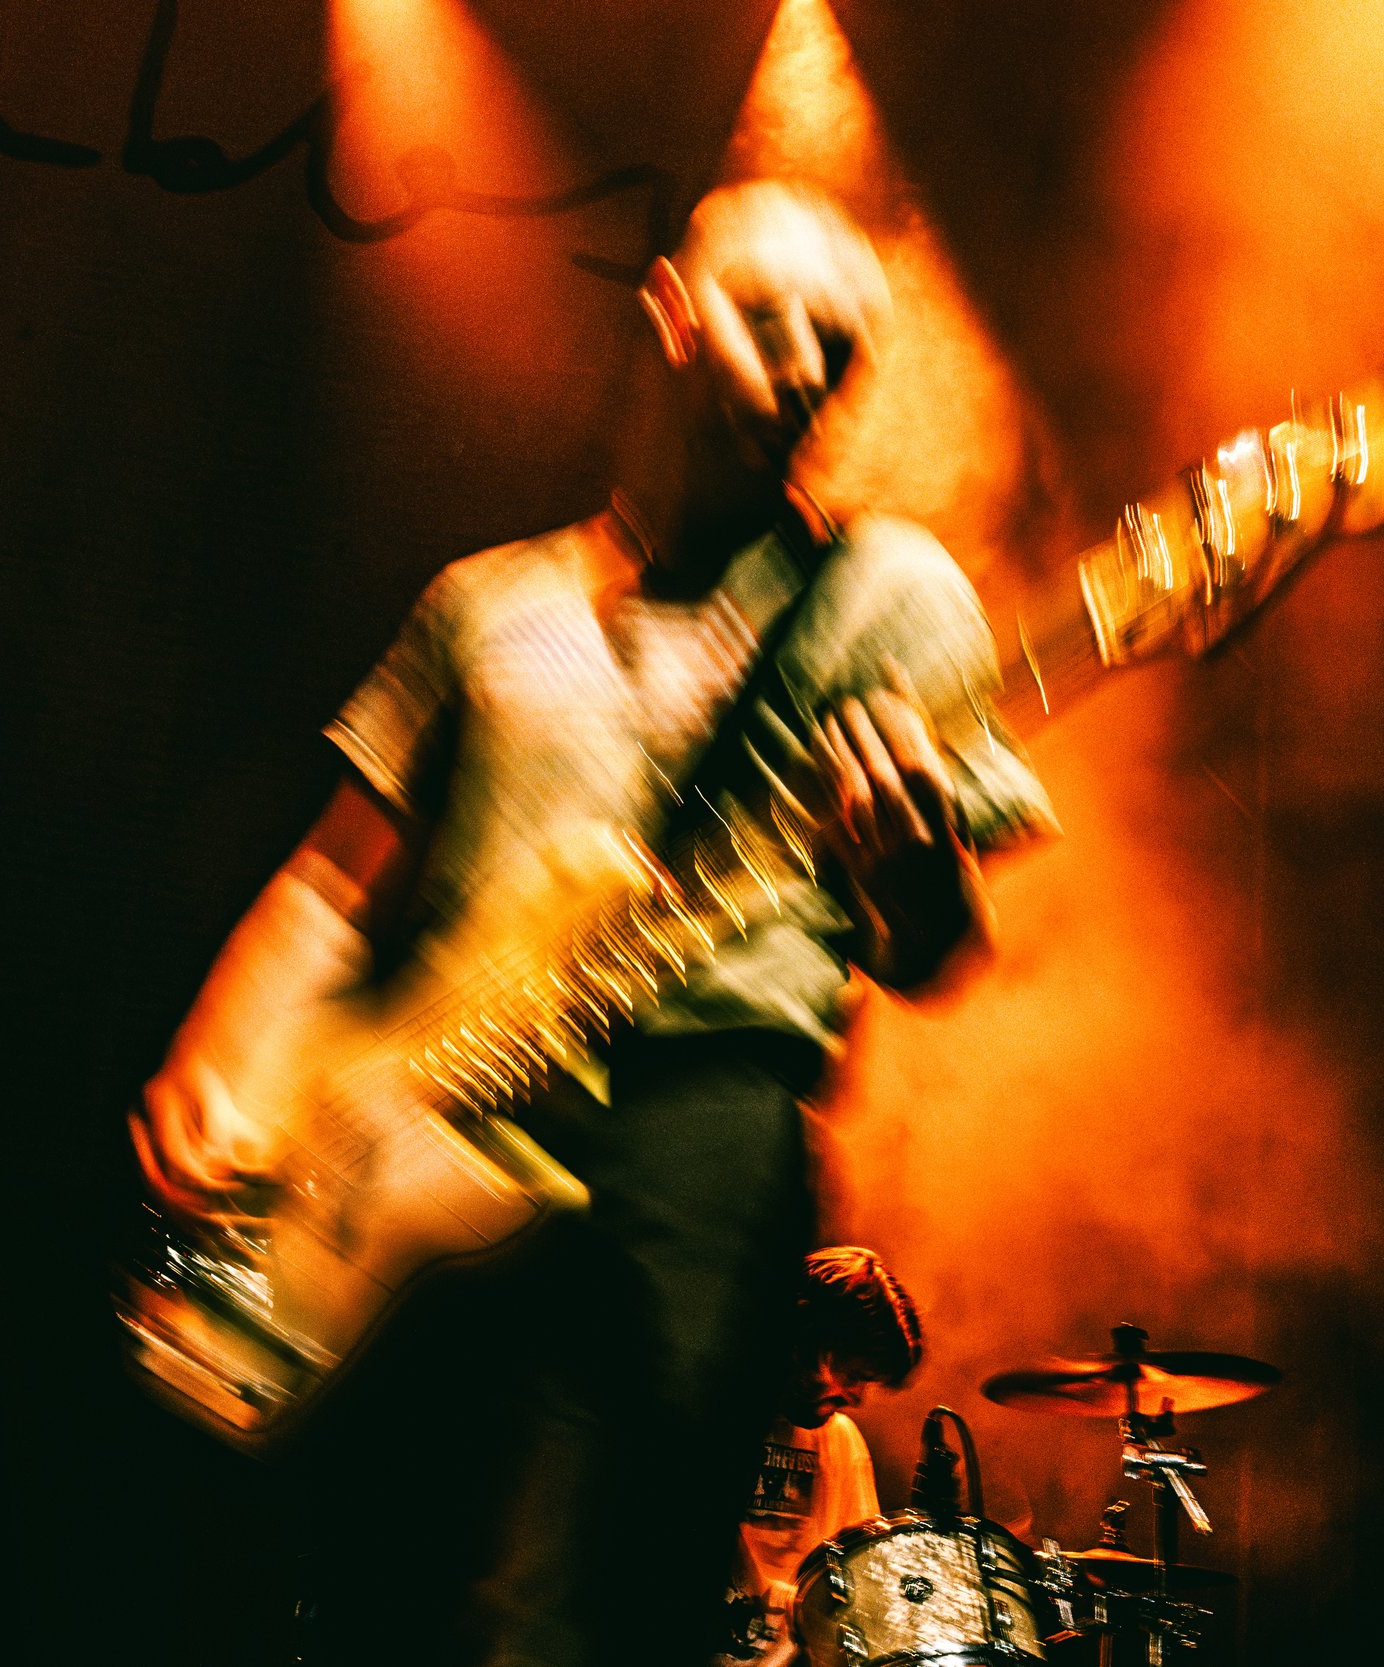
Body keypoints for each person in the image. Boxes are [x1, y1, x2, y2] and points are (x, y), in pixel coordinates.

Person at [133, 179, 1052, 1667]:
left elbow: (936, 950)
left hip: (702, 1131)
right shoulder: (489, 604)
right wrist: (226, 1048)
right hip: (429, 1125)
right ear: (674, 315)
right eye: (772, 319)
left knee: (585, 1613)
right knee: (379, 1590)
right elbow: (337, 873)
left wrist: (912, 871)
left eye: (841, 343)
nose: (808, 361)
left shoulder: (886, 598)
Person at [723, 1247, 924, 1667]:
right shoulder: (708, 1414)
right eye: (851, 1376)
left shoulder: (841, 1442)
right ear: (806, 1340)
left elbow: (864, 1589)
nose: (856, 1396)